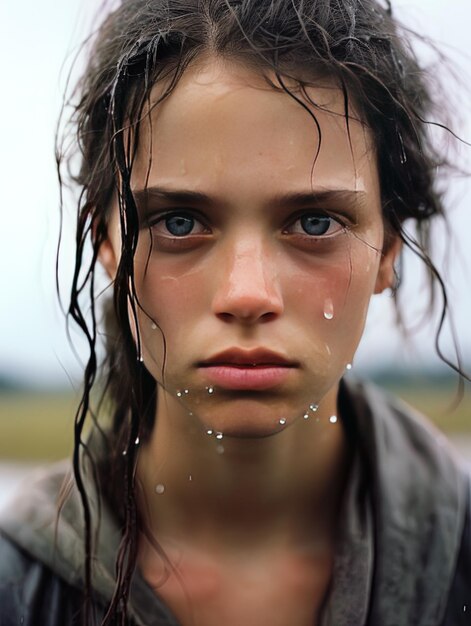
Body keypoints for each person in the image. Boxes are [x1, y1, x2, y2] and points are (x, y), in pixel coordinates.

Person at [0, 0, 470, 624]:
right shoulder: (14, 588)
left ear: (387, 247)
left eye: (314, 221)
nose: (246, 295)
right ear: (107, 242)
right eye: (179, 221)